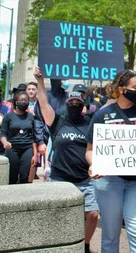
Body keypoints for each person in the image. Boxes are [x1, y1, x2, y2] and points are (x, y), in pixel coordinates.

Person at [86, 70, 136, 253]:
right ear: (121, 89)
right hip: (110, 182)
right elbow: (90, 151)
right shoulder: (102, 116)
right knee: (110, 236)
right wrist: (95, 165)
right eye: (135, 88)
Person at [34, 67, 98, 253]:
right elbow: (44, 103)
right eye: (72, 101)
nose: (74, 104)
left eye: (78, 101)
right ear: (67, 102)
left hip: (85, 179)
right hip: (60, 178)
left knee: (92, 215)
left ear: (83, 103)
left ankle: (85, 245)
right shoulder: (58, 121)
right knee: (59, 215)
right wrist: (39, 81)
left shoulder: (89, 122)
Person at [0, 91, 38, 184]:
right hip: (12, 148)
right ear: (16, 102)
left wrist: (35, 154)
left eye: (26, 100)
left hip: (27, 148)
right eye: (21, 100)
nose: (24, 102)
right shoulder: (8, 116)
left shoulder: (31, 117)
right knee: (12, 175)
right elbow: (3, 133)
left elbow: (33, 136)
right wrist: (5, 142)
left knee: (24, 175)